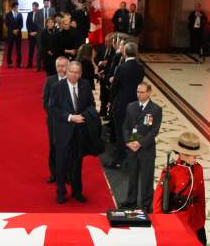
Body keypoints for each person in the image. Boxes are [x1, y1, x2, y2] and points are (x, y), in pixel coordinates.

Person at [49, 61, 94, 204]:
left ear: (80, 74)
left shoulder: (85, 85)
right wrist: (70, 117)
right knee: (61, 163)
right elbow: (53, 109)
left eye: (77, 73)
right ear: (67, 71)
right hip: (63, 131)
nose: (74, 75)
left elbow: (91, 105)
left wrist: (85, 116)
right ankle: (60, 192)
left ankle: (77, 192)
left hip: (79, 132)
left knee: (77, 163)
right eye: (71, 72)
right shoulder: (57, 87)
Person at [153, 131, 208, 244]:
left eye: (196, 155)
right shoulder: (171, 172)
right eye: (193, 155)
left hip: (196, 221)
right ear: (182, 154)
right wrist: (161, 224)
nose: (195, 158)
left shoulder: (198, 169)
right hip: (178, 221)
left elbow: (201, 196)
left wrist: (202, 218)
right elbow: (158, 200)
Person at [121, 82, 161, 210]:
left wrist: (140, 143)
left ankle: (145, 204)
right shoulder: (130, 106)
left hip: (146, 149)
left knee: (147, 178)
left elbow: (154, 130)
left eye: (142, 92)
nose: (139, 94)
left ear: (149, 93)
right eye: (138, 92)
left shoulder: (156, 109)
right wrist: (128, 141)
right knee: (132, 176)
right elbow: (125, 126)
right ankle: (131, 200)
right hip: (132, 148)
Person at [105, 41, 143, 170]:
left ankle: (118, 160)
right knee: (134, 133)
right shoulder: (140, 67)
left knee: (121, 133)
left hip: (121, 105)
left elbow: (115, 87)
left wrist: (110, 101)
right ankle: (133, 159)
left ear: (125, 52)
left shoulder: (122, 67)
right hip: (136, 105)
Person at [42, 57, 68, 185]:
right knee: (53, 147)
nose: (61, 69)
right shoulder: (49, 81)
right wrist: (57, 116)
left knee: (69, 148)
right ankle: (54, 173)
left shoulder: (73, 80)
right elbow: (45, 102)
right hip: (53, 122)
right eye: (59, 66)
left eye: (64, 66)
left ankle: (67, 173)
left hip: (70, 122)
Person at [25, 1, 43, 68]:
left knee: (39, 50)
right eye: (33, 6)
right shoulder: (29, 13)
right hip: (31, 34)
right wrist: (30, 32)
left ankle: (39, 65)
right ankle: (29, 64)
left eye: (35, 6)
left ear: (37, 7)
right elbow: (27, 24)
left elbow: (41, 24)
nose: (33, 7)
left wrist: (36, 32)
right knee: (31, 50)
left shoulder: (40, 13)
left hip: (38, 35)